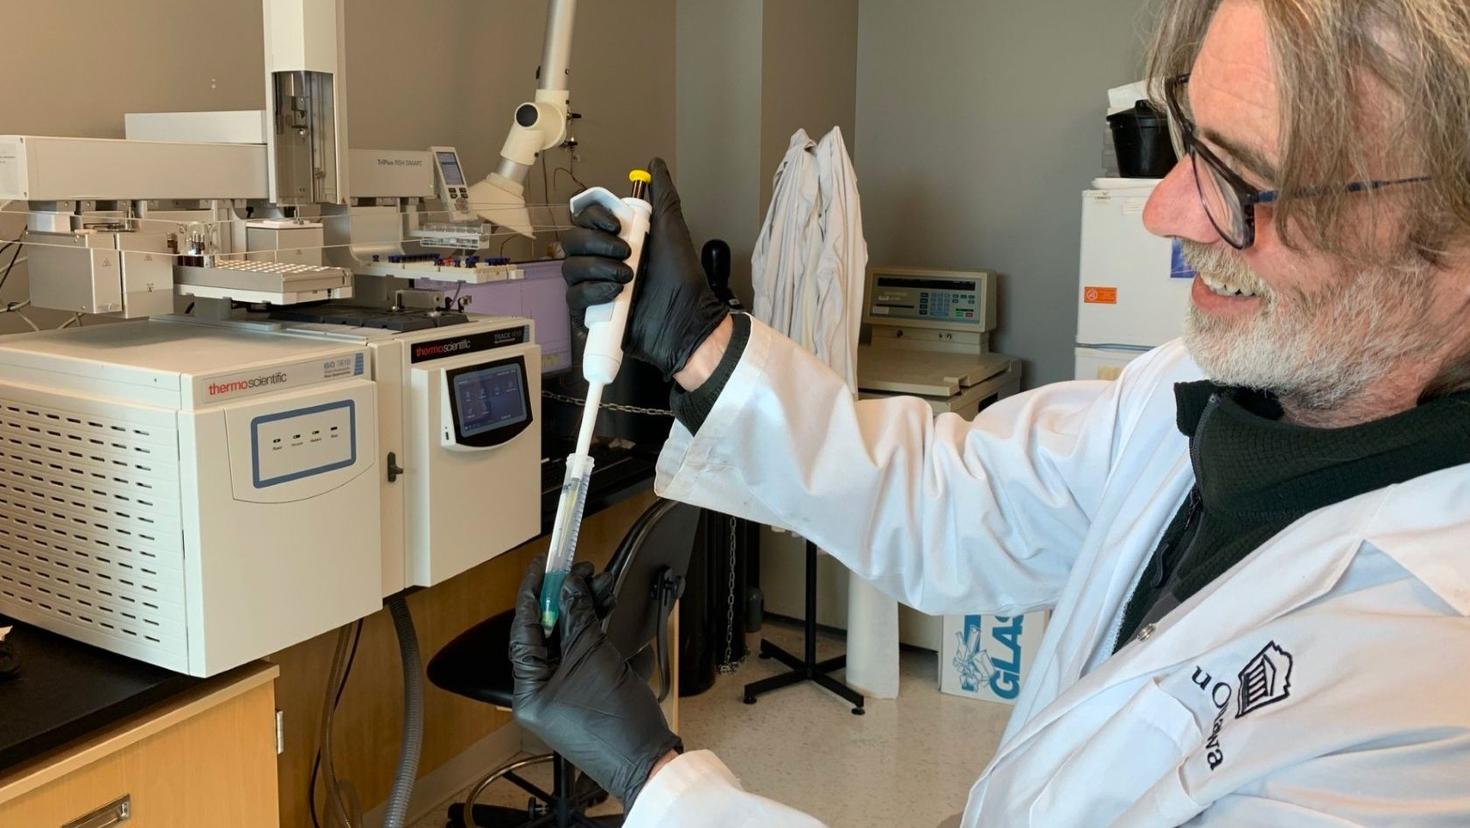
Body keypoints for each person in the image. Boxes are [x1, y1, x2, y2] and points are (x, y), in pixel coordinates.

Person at [511, 0, 1470, 824]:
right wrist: (698, 344)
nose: (1167, 214)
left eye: (1245, 178)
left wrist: (661, 786)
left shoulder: (1428, 713)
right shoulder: (1217, 396)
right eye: (1190, 140)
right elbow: (957, 496)